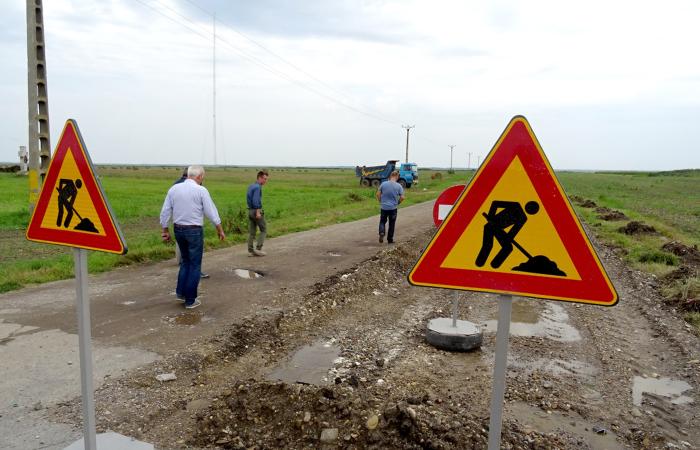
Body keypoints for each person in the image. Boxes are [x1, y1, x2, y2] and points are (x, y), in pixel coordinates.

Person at [160, 165, 225, 309]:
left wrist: (165, 229)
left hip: (178, 229)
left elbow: (165, 211)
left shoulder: (174, 189)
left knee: (185, 262)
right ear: (200, 176)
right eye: (203, 177)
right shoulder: (201, 190)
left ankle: (180, 293)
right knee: (195, 265)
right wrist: (219, 229)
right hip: (194, 230)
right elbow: (211, 212)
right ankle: (190, 300)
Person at [475, 200, 539, 269]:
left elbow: (514, 231)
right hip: (490, 226)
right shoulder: (515, 205)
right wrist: (491, 217)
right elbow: (495, 203)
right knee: (488, 245)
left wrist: (508, 237)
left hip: (499, 230)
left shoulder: (523, 218)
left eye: (532, 209)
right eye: (530, 207)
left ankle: (494, 264)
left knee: (508, 247)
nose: (530, 209)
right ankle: (479, 263)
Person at [173, 168, 209, 278]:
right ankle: (194, 274)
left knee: (181, 246)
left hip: (178, 221)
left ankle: (181, 263)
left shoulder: (175, 185)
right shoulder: (197, 186)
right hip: (193, 224)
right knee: (194, 255)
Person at [376, 170, 405, 244]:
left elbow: (378, 194)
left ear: (390, 176)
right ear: (397, 176)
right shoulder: (399, 186)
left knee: (382, 221)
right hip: (393, 208)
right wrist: (397, 203)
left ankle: (382, 232)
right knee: (392, 224)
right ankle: (390, 239)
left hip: (384, 207)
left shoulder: (383, 184)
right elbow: (402, 197)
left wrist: (381, 201)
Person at [246, 170, 269, 256]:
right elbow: (256, 201)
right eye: (264, 179)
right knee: (263, 230)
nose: (265, 181)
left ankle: (251, 250)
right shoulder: (257, 187)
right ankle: (258, 249)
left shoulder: (251, 186)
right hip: (256, 211)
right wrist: (258, 212)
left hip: (250, 211)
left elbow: (249, 199)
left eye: (266, 179)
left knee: (252, 232)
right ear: (259, 178)